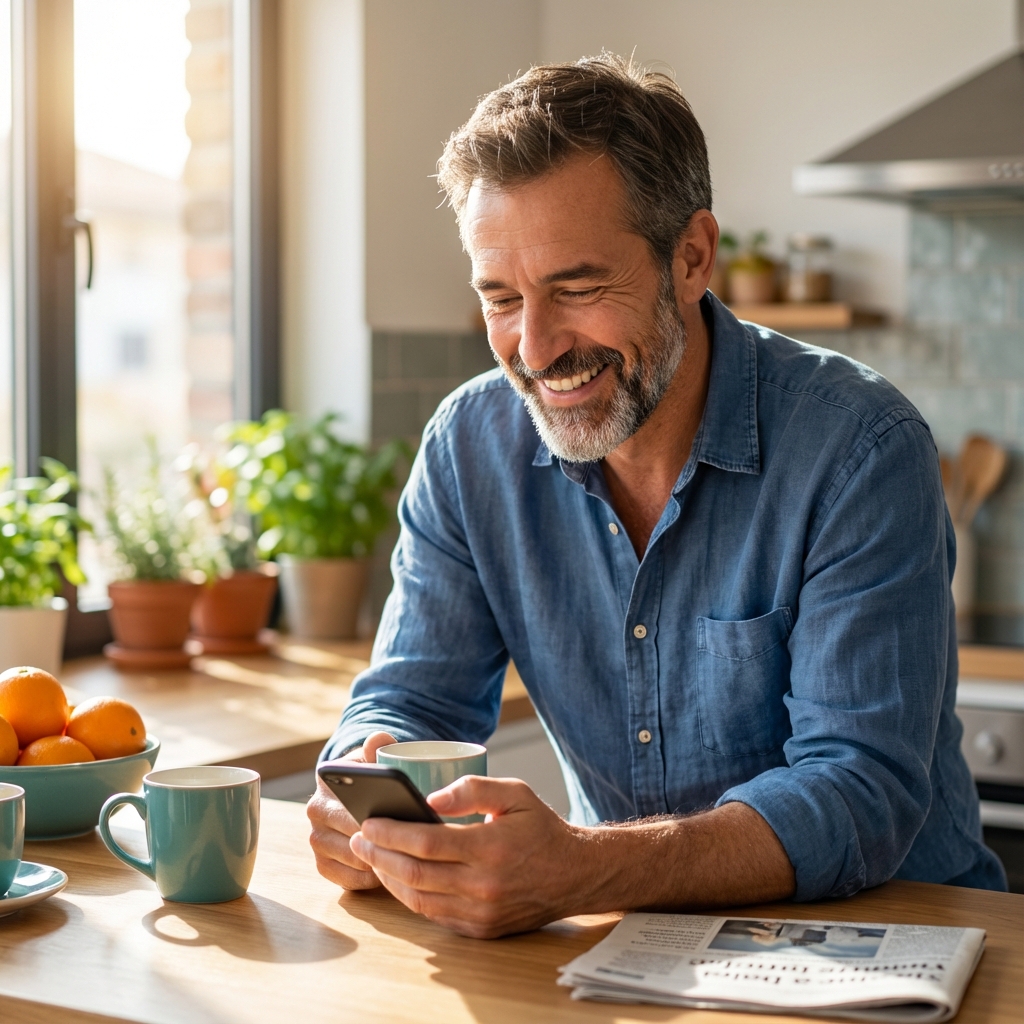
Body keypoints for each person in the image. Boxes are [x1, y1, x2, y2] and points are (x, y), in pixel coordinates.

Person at [307, 54, 1006, 938]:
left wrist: (581, 866)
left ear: (692, 256)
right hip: (629, 949)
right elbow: (412, 701)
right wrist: (360, 783)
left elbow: (858, 790)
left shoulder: (860, 448)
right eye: (500, 298)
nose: (536, 346)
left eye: (577, 287)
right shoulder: (466, 447)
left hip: (898, 947)